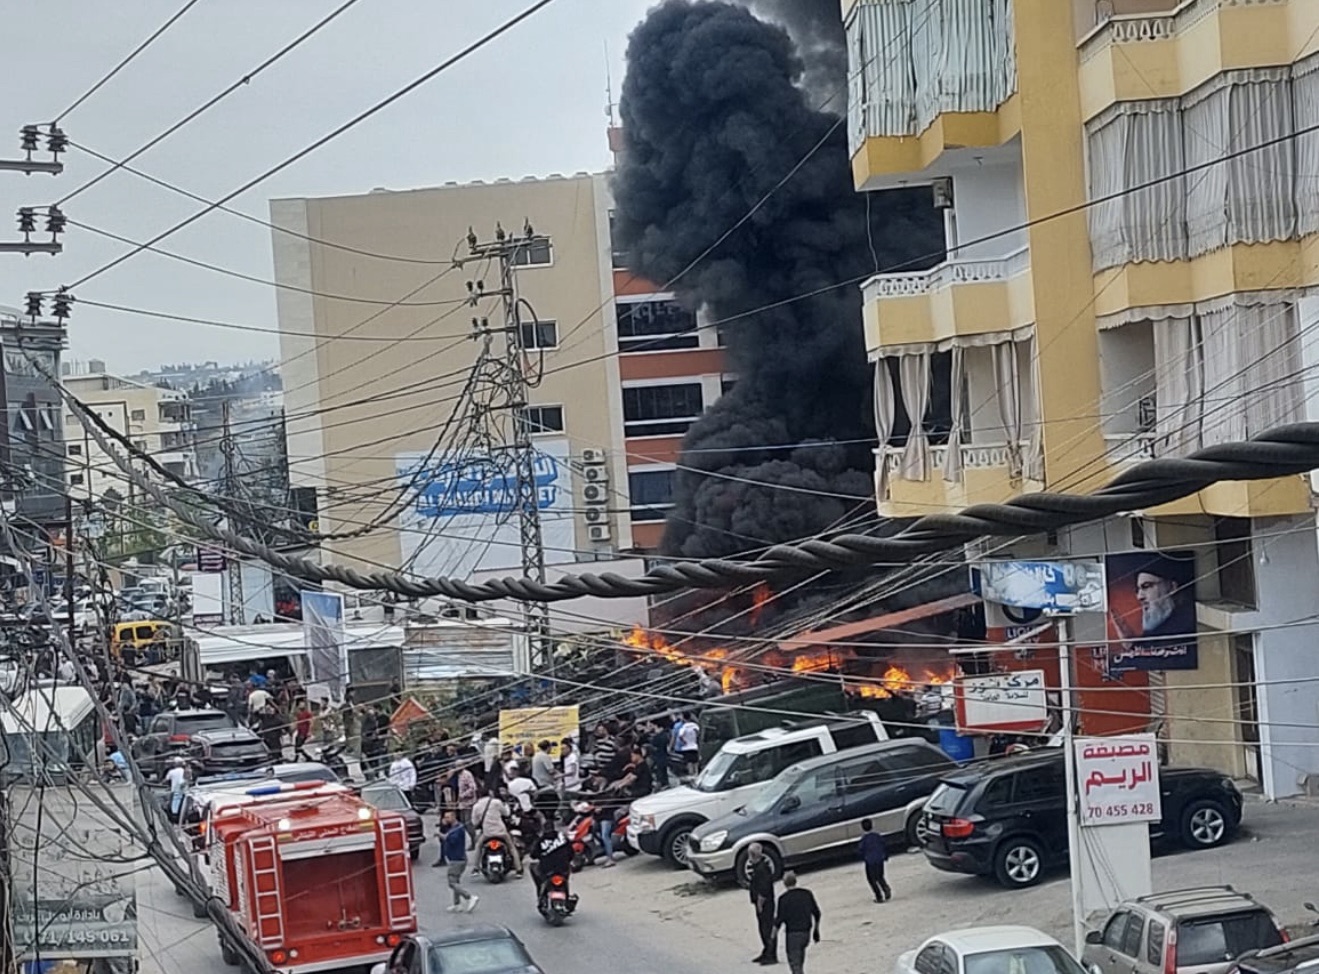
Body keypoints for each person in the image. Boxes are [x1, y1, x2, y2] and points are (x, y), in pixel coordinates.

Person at [432, 810, 479, 913]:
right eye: (445, 817)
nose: (445, 819)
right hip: (455, 858)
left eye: (448, 817)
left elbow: (450, 839)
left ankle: (469, 897)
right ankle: (457, 904)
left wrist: (439, 834)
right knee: (456, 881)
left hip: (457, 860)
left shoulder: (457, 830)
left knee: (452, 882)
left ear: (454, 817)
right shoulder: (454, 828)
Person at [774, 872, 821, 974]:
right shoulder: (807, 894)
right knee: (800, 959)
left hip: (793, 934)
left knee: (795, 963)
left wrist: (773, 934)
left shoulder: (783, 899)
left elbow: (780, 919)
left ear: (784, 883)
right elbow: (817, 913)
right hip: (806, 932)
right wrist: (816, 930)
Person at [471, 788, 523, 876]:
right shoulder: (496, 802)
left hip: (487, 833)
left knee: (478, 846)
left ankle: (475, 868)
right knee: (511, 847)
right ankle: (519, 869)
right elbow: (506, 813)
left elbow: (474, 822)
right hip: (501, 832)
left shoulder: (476, 806)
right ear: (489, 793)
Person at [747, 843, 778, 965]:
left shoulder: (762, 868)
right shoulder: (758, 867)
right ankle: (766, 951)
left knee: (767, 928)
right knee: (762, 928)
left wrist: (760, 903)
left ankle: (771, 955)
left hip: (765, 904)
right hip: (760, 902)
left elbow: (764, 889)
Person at [527, 817, 573, 895]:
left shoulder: (541, 840)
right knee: (566, 876)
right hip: (563, 868)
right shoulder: (562, 837)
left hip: (547, 870)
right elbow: (571, 852)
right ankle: (567, 895)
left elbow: (533, 855)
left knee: (533, 867)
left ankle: (540, 892)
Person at [858, 818, 891, 903]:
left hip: (870, 862)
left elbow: (861, 850)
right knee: (880, 876)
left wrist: (863, 857)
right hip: (879, 859)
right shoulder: (877, 836)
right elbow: (884, 845)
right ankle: (885, 888)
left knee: (871, 879)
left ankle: (879, 896)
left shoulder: (864, 840)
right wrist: (885, 856)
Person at [676, 711, 700, 776]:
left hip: (686, 747)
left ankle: (691, 774)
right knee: (695, 761)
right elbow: (698, 733)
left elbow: (680, 736)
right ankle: (696, 773)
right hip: (694, 746)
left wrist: (684, 741)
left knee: (689, 762)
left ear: (684, 718)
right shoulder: (695, 725)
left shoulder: (684, 727)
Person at [165, 757, 189, 822]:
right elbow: (188, 779)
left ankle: (174, 817)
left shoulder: (171, 772)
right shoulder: (185, 771)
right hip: (183, 791)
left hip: (174, 790)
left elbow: (166, 780)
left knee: (173, 805)